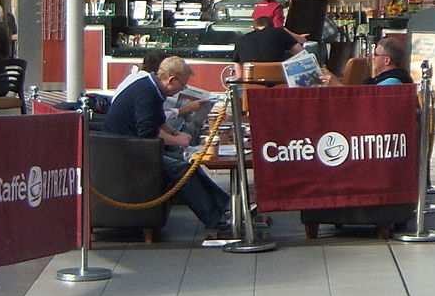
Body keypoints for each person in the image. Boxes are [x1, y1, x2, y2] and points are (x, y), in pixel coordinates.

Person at [101, 55, 230, 236]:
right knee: (182, 170)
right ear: (171, 80)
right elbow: (147, 132)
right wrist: (178, 140)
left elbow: (158, 121)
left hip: (133, 146)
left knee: (189, 165)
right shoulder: (147, 92)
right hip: (125, 152)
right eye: (183, 85)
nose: (183, 89)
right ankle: (214, 219)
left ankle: (226, 205)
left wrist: (176, 133)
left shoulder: (151, 87)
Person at [233, 15, 305, 65]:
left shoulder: (241, 39)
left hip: (251, 84)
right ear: (272, 27)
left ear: (253, 28)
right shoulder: (279, 32)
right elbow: (302, 54)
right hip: (278, 81)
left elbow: (239, 75)